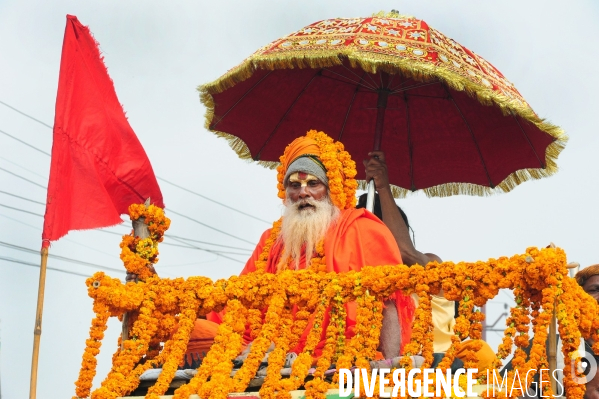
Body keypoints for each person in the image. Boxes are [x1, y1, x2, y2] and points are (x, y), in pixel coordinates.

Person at [228, 131, 415, 359]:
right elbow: (240, 299)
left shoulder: (363, 230)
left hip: (338, 355)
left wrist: (389, 366)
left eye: (313, 183)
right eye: (294, 185)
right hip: (267, 349)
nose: (303, 193)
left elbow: (389, 302)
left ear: (330, 189)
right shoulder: (271, 240)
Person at [361, 151, 495, 371]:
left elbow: (403, 252)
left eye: (378, 236)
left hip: (443, 367)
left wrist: (383, 188)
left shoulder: (426, 264)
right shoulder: (358, 279)